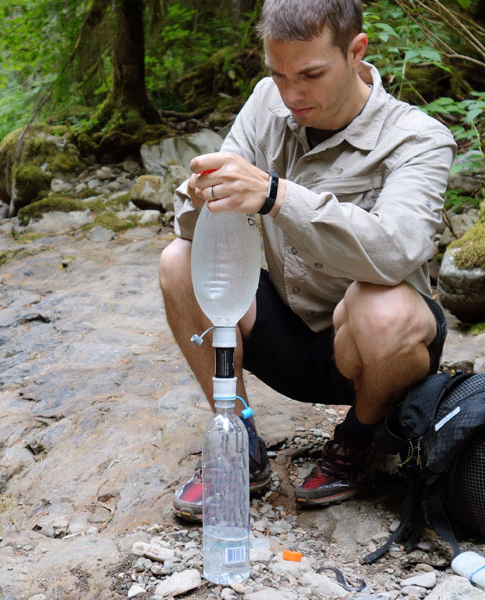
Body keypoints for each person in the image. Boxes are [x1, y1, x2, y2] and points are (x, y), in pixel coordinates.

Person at [159, 0, 456, 522]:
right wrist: (202, 196)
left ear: (356, 51)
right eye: (278, 74)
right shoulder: (265, 104)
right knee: (177, 262)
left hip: (374, 352)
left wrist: (274, 195)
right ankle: (240, 440)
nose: (291, 95)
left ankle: (358, 441)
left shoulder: (418, 138)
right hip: (286, 333)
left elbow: (395, 251)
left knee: (381, 307)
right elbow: (195, 220)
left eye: (311, 75)